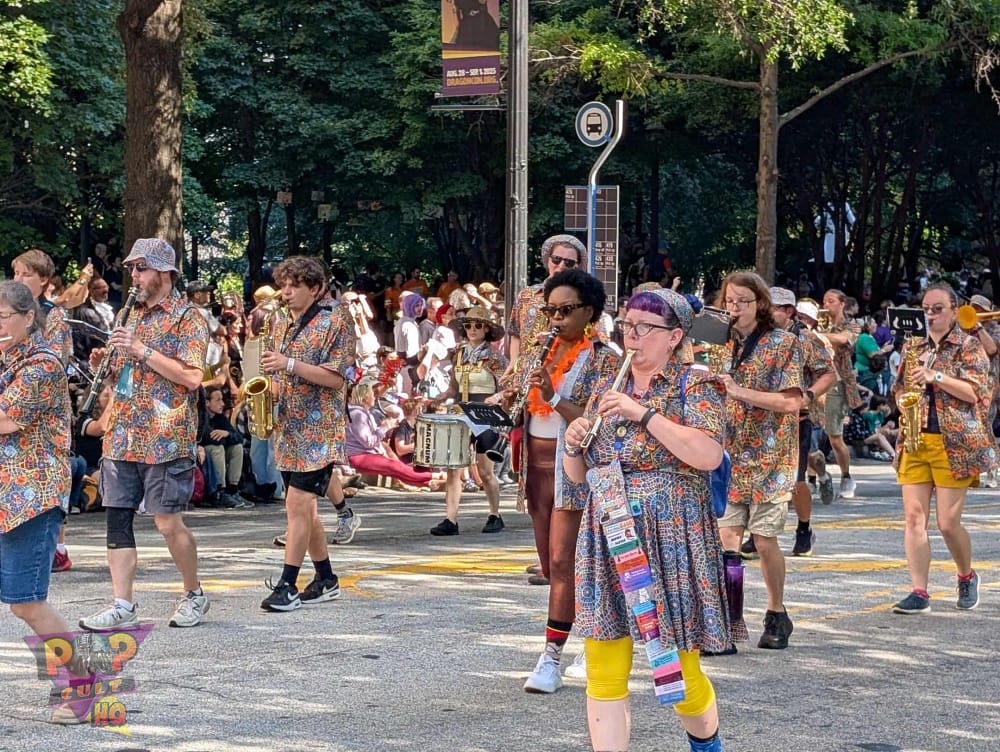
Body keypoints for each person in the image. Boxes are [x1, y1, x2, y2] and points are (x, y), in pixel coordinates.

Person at [564, 288, 730, 752]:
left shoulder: (695, 385)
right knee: (603, 664)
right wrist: (575, 442)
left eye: (644, 328)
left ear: (674, 336)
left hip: (671, 536)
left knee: (680, 668)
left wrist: (644, 414)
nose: (631, 336)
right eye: (626, 325)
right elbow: (580, 475)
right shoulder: (606, 389)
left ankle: (707, 745)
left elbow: (707, 454)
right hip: (608, 532)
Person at [79, 238, 211, 631]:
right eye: (133, 268)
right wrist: (109, 359)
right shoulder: (130, 313)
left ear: (165, 273)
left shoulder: (190, 318)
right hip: (122, 430)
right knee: (116, 519)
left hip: (165, 434)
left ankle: (194, 593)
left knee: (168, 522)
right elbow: (127, 365)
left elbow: (190, 377)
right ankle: (122, 603)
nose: (135, 275)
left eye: (143, 268)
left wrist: (140, 350)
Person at [513, 268, 619, 694]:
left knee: (563, 563)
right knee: (549, 564)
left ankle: (552, 656)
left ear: (589, 311)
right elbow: (524, 398)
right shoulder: (544, 348)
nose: (555, 318)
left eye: (565, 310)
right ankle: (581, 639)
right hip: (535, 467)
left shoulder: (604, 357)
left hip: (574, 473)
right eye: (550, 311)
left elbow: (595, 422)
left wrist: (553, 393)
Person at [0, 281, 91, 725]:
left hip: (28, 497)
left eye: (0, 317)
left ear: (27, 318)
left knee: (26, 602)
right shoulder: (4, 360)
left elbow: (5, 419)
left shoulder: (42, 364)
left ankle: (82, 682)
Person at [891, 282, 996, 614]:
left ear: (954, 311)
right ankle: (919, 591)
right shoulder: (914, 345)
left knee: (948, 523)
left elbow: (975, 392)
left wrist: (936, 376)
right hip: (916, 438)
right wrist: (903, 404)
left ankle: (966, 575)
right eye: (926, 309)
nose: (931, 315)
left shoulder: (969, 346)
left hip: (956, 442)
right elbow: (899, 389)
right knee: (913, 518)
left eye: (938, 309)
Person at [260, 256, 356, 612]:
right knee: (306, 509)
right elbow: (275, 370)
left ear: (315, 288)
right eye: (284, 284)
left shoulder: (336, 322)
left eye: (294, 285)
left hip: (318, 429)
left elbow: (336, 378)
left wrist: (288, 365)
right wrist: (269, 385)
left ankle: (287, 584)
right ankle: (326, 577)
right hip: (288, 425)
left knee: (297, 506)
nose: (286, 291)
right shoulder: (282, 321)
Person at [717, 272, 803, 650]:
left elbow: (791, 402)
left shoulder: (783, 343)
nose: (734, 308)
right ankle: (729, 621)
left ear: (760, 305)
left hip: (772, 456)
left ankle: (776, 613)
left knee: (765, 541)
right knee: (727, 540)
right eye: (729, 301)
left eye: (743, 302)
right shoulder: (717, 343)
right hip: (728, 454)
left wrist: (739, 392)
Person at [428, 305, 508, 535]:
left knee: (485, 470)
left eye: (478, 325)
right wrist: (441, 397)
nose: (472, 329)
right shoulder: (460, 353)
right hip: (462, 412)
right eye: (469, 325)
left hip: (485, 414)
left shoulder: (493, 357)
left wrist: (498, 396)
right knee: (454, 467)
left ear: (486, 330)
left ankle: (495, 513)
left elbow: (509, 386)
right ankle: (450, 519)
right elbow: (454, 385)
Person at [769, 289, 836, 559]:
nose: (767, 313)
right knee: (759, 479)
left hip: (796, 419)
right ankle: (760, 532)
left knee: (796, 482)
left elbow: (829, 374)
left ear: (788, 311)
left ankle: (804, 528)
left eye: (773, 308)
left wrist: (808, 395)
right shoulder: (757, 336)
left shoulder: (805, 338)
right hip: (761, 419)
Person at [821, 289, 863, 499]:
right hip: (813, 381)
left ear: (842, 303)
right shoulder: (817, 323)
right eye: (824, 301)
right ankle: (815, 477)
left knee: (834, 436)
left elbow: (843, 339)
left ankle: (846, 475)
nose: (826, 305)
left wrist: (817, 335)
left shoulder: (853, 325)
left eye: (831, 301)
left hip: (837, 383)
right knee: (808, 435)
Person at [200, 385, 252, 509]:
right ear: (207, 402)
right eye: (218, 400)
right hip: (203, 453)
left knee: (237, 448)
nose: (222, 404)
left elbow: (238, 438)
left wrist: (227, 433)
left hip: (218, 450)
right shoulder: (202, 416)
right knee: (217, 449)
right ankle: (219, 491)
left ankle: (233, 490)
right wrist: (225, 437)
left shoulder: (220, 418)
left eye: (222, 400)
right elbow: (211, 439)